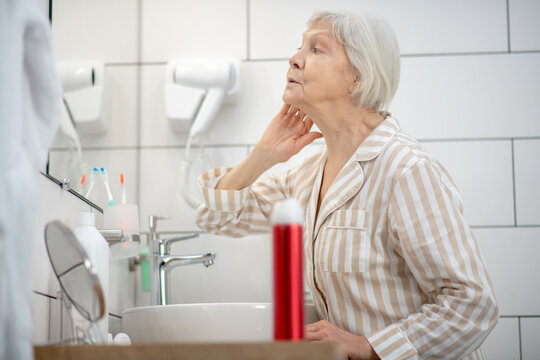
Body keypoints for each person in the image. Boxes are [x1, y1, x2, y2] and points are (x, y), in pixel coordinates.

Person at [195, 10, 498, 360]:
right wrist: (262, 156)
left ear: (357, 76)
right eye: (300, 48)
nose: (294, 59)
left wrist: (369, 347)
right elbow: (216, 219)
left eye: (316, 49)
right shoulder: (308, 174)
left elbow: (473, 305)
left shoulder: (406, 170)